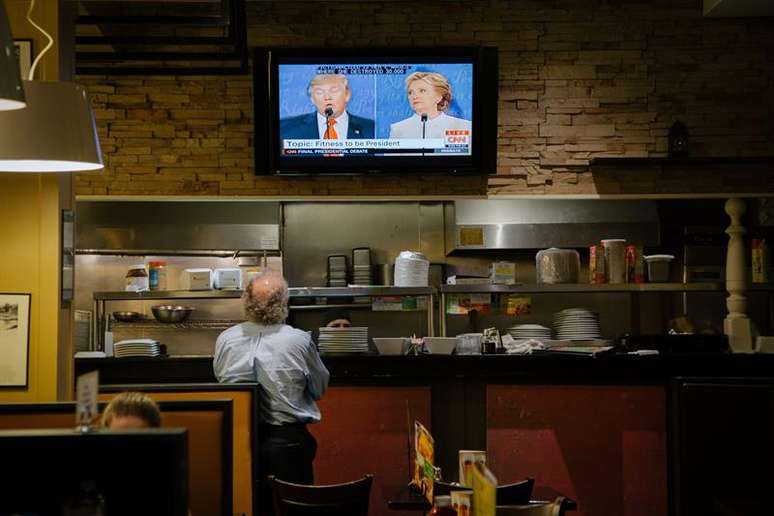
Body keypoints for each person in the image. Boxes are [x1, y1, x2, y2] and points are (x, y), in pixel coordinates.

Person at [213, 272, 329, 514]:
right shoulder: (299, 340)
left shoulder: (225, 339)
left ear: (246, 302)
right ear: (284, 304)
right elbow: (319, 389)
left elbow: (220, 384)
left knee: (249, 507)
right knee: (295, 508)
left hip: (238, 440)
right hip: (288, 442)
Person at [280, 74, 375, 140]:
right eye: (319, 92)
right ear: (312, 99)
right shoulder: (287, 128)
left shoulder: (371, 128)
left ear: (347, 95)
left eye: (333, 90)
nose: (327, 97)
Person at [389, 71, 471, 139]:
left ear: (439, 97)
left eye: (422, 91)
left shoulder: (464, 126)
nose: (414, 96)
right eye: (410, 92)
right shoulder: (398, 129)